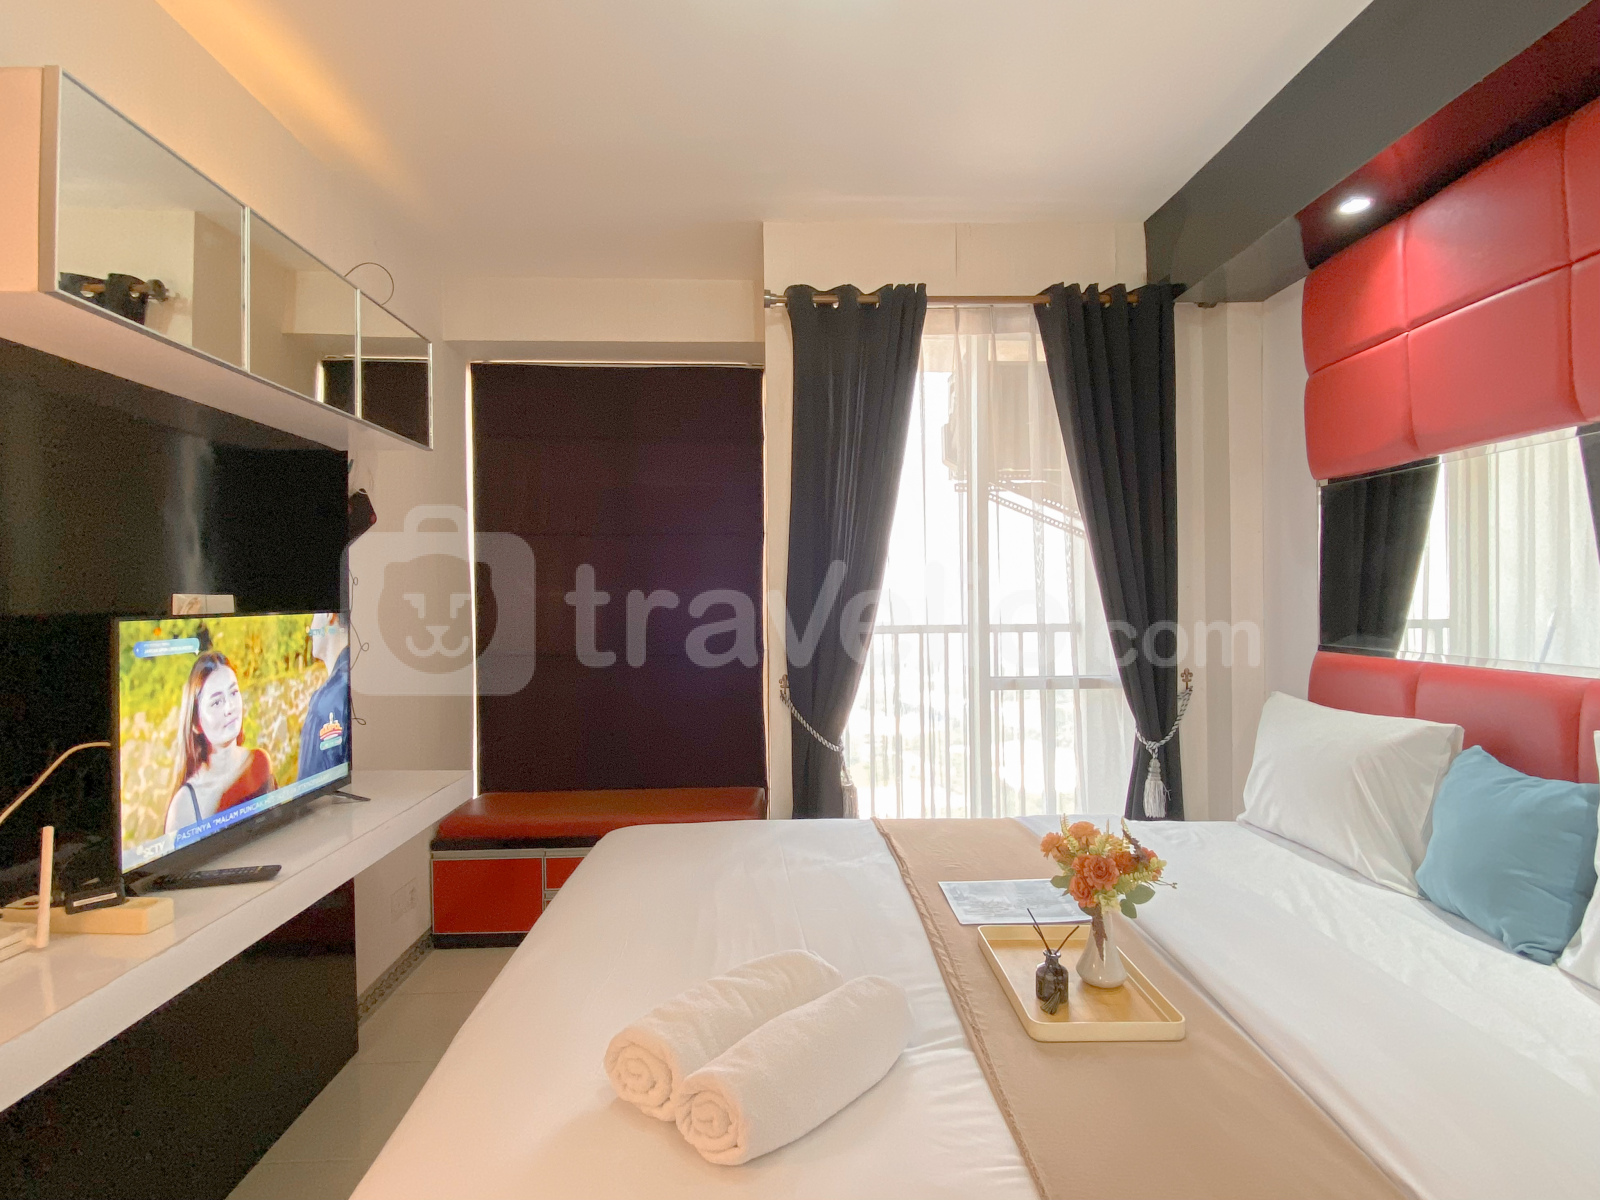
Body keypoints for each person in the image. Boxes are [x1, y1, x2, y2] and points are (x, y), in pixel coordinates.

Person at [164, 651, 276, 834]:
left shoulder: (259, 762)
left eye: (233, 693)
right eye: (217, 702)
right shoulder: (185, 806)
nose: (230, 708)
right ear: (196, 722)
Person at [297, 612, 351, 781]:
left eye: (314, 616)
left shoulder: (323, 705)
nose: (311, 628)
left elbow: (307, 787)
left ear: (328, 615)